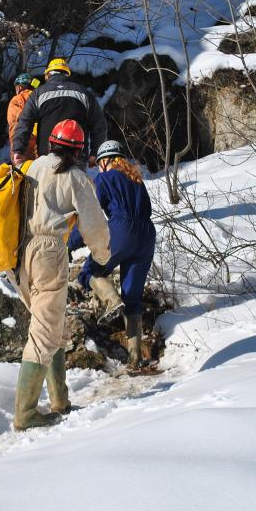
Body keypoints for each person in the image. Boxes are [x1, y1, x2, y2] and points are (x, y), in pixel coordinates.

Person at [10, 119, 115, 431]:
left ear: (51, 143)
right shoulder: (75, 178)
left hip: (19, 252)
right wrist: (102, 255)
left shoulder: (30, 168)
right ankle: (25, 413)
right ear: (78, 151)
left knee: (47, 323)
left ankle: (60, 400)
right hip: (47, 251)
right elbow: (94, 224)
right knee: (45, 328)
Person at [70, 140, 156, 367]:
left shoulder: (105, 179)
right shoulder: (137, 180)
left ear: (106, 161)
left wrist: (71, 242)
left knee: (89, 271)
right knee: (133, 298)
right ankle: (135, 360)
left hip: (122, 230)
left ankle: (111, 300)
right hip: (147, 236)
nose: (99, 169)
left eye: (99, 164)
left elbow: (93, 217)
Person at [10, 58, 106, 169]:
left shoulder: (38, 94)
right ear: (67, 74)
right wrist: (95, 153)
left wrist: (18, 150)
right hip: (77, 157)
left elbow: (24, 122)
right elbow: (99, 125)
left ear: (48, 75)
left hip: (46, 158)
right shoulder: (84, 93)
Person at [6, 73, 38, 162]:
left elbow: (16, 121)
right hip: (40, 146)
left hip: (22, 146)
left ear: (19, 87)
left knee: (22, 173)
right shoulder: (40, 97)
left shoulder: (17, 100)